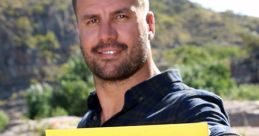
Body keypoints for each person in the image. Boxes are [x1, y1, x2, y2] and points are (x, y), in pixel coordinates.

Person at [72, 0, 239, 135]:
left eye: (121, 16)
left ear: (149, 25)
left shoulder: (186, 110)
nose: (106, 34)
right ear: (79, 31)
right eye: (93, 21)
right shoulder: (87, 124)